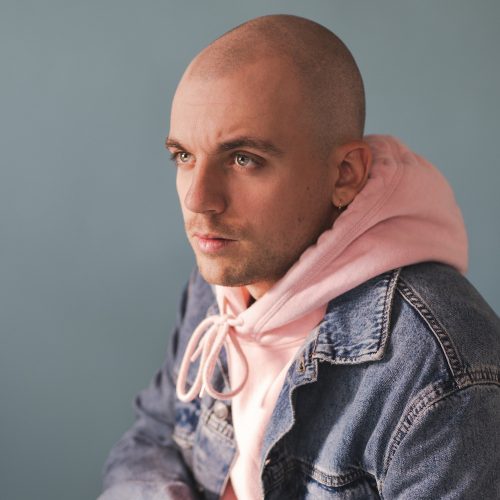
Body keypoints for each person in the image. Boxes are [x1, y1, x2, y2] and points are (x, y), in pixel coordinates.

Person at [99, 14, 500, 500]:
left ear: (345, 175)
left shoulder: (439, 369)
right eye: (184, 156)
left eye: (243, 159)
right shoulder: (220, 282)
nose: (198, 200)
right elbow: (155, 432)